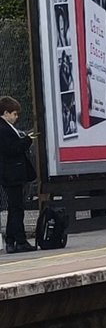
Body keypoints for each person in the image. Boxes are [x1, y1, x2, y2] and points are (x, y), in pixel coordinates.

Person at [0, 96, 36, 253]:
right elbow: (11, 149)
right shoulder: (3, 129)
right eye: (14, 114)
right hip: (11, 173)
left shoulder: (6, 128)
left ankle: (11, 240)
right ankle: (20, 241)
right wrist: (27, 141)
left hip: (12, 173)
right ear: (6, 113)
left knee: (15, 207)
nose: (16, 117)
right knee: (17, 208)